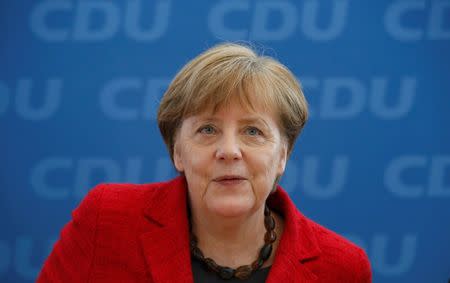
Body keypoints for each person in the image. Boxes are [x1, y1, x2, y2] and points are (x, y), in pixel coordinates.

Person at [37, 43, 372, 282]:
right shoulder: (106, 221)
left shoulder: (341, 268)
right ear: (177, 152)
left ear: (283, 155)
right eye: (207, 129)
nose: (229, 151)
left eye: (252, 131)